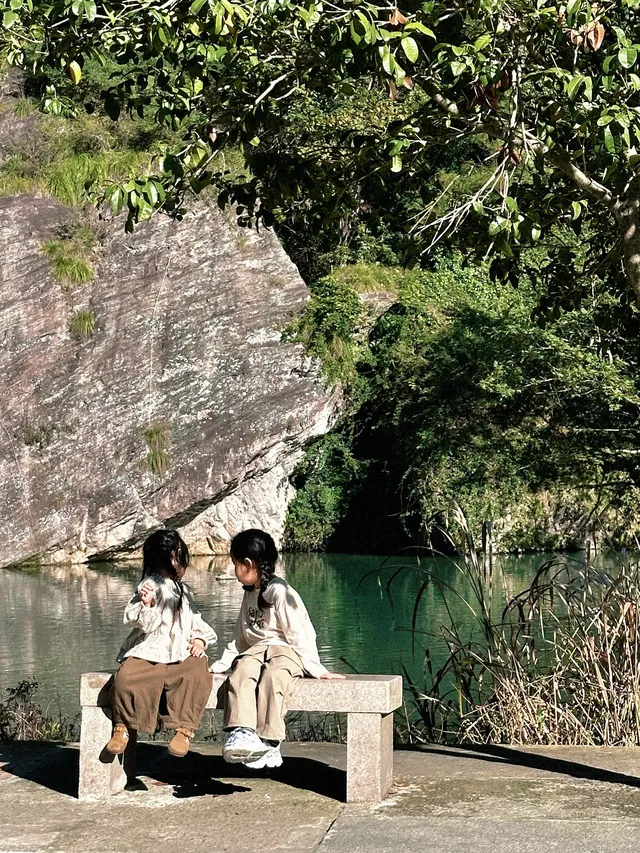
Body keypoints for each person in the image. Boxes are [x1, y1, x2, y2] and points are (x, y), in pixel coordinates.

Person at [211, 528, 345, 769]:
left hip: (285, 651)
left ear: (249, 563)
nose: (234, 571)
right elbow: (240, 636)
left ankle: (269, 741)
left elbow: (299, 632)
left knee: (274, 678)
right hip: (256, 651)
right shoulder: (249, 593)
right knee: (241, 672)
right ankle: (242, 732)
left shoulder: (280, 591)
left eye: (235, 564)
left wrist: (316, 668)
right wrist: (222, 663)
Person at [105, 529, 216, 758]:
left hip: (180, 650)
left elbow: (194, 620)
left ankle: (185, 729)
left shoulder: (184, 590)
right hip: (151, 648)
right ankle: (122, 727)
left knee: (198, 674)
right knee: (126, 677)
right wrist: (147, 604)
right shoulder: (148, 586)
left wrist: (200, 639)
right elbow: (140, 623)